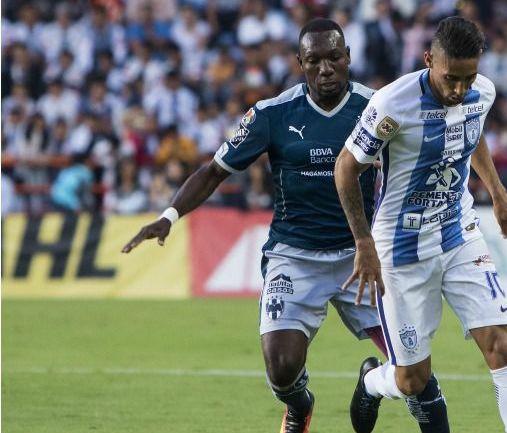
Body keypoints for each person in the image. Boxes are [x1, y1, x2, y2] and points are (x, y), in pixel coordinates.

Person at [122, 19, 401, 433]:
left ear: (348, 58)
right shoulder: (272, 114)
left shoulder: (377, 107)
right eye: (314, 60)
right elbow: (214, 171)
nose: (325, 68)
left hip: (360, 257)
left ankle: (369, 383)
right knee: (282, 367)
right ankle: (299, 405)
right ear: (299, 63)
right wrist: (169, 216)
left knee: (410, 368)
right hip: (295, 255)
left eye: (334, 57)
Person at [335, 16, 507, 433]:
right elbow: (346, 166)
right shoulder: (392, 104)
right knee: (412, 380)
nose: (459, 89)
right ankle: (373, 382)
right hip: (401, 249)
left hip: (459, 234)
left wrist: (496, 193)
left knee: (501, 345)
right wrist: (363, 241)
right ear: (428, 60)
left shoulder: (481, 93)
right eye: (451, 79)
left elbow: (471, 129)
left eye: (469, 77)